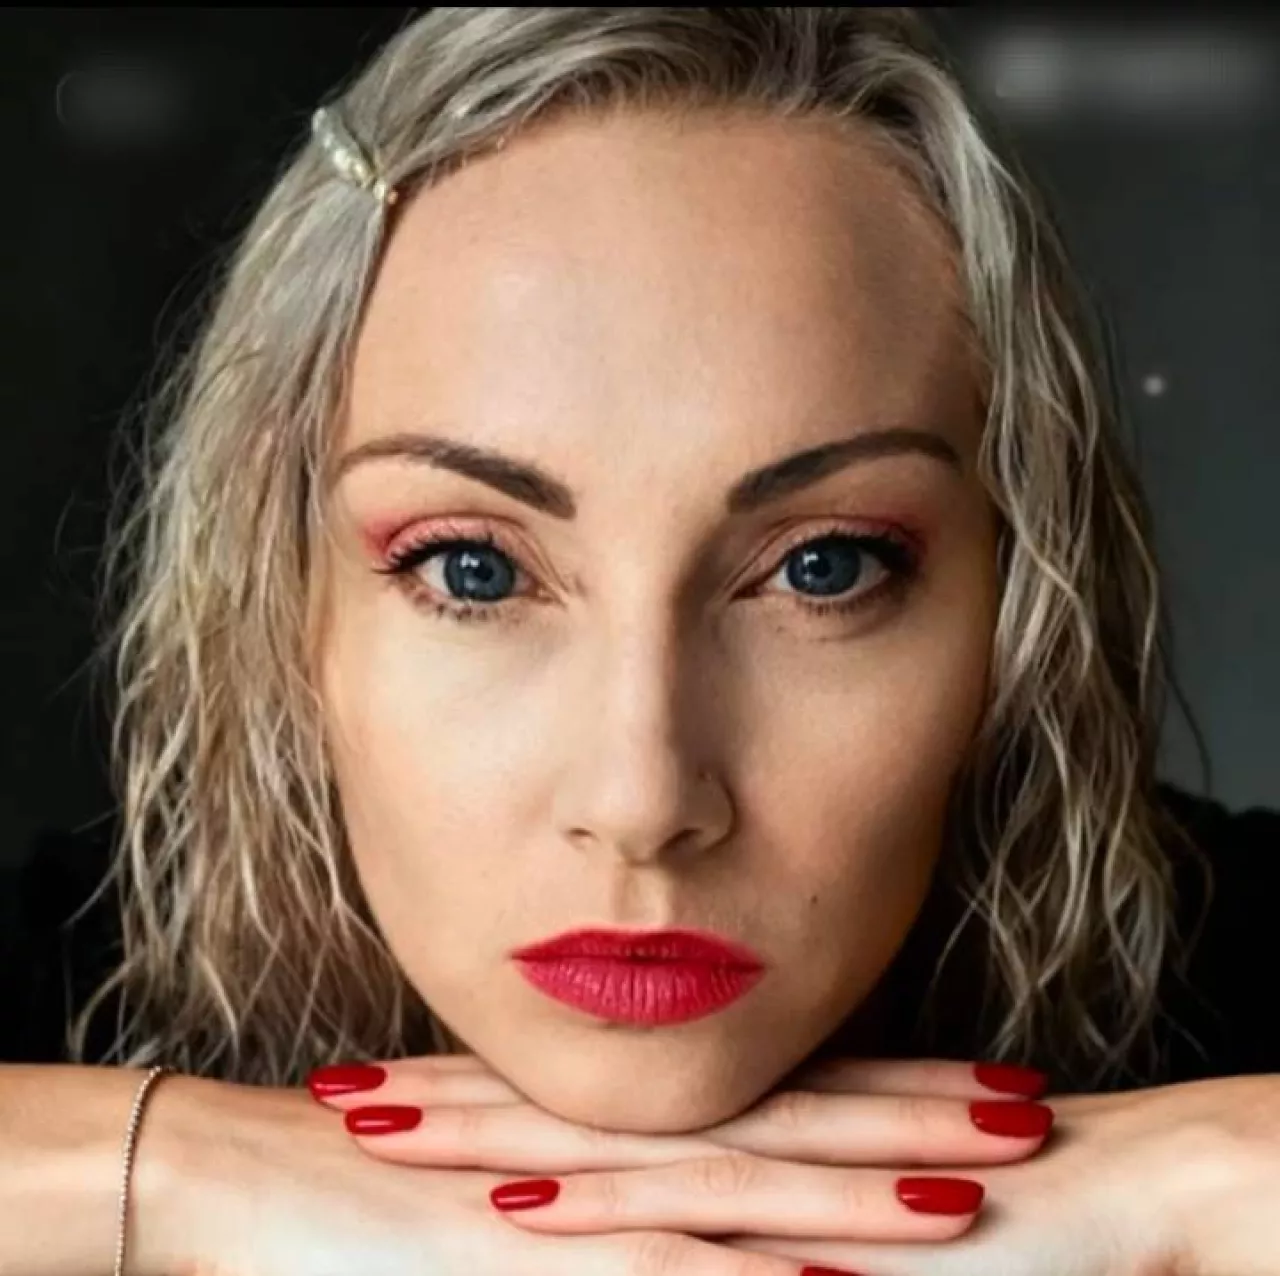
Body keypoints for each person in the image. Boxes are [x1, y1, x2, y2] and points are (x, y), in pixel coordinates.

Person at [2, 8, 1277, 1276]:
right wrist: (175, 1175)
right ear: (285, 598)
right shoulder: (64, 989)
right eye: (473, 568)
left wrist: (1194, 1184)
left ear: (1012, 600)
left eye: (822, 568)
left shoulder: (1239, 968)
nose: (642, 800)